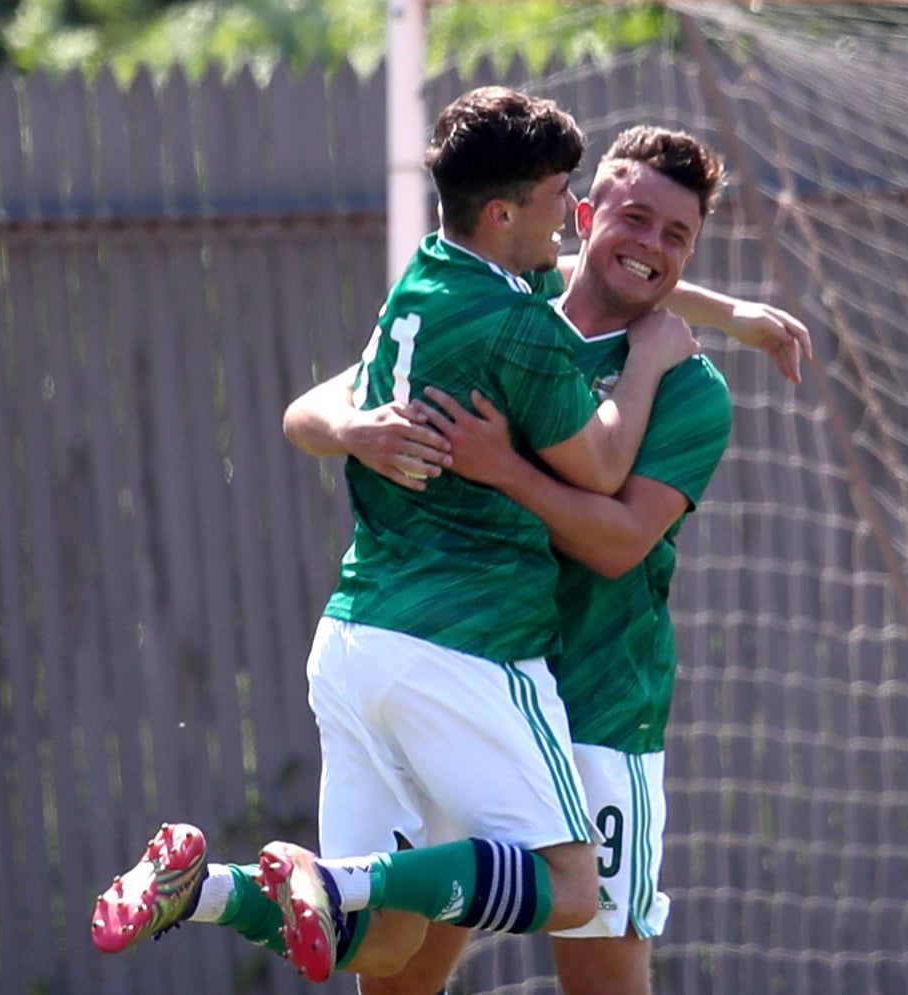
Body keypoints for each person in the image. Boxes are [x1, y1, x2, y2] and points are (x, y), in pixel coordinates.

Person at [91, 85, 702, 984]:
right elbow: (606, 468)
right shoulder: (520, 328)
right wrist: (651, 358)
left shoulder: (423, 277)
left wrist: (732, 317)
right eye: (556, 200)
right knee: (571, 887)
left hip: (354, 640)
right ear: (502, 212)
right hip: (466, 646)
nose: (569, 220)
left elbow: (310, 406)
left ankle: (202, 885)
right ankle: (331, 877)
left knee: (382, 939)